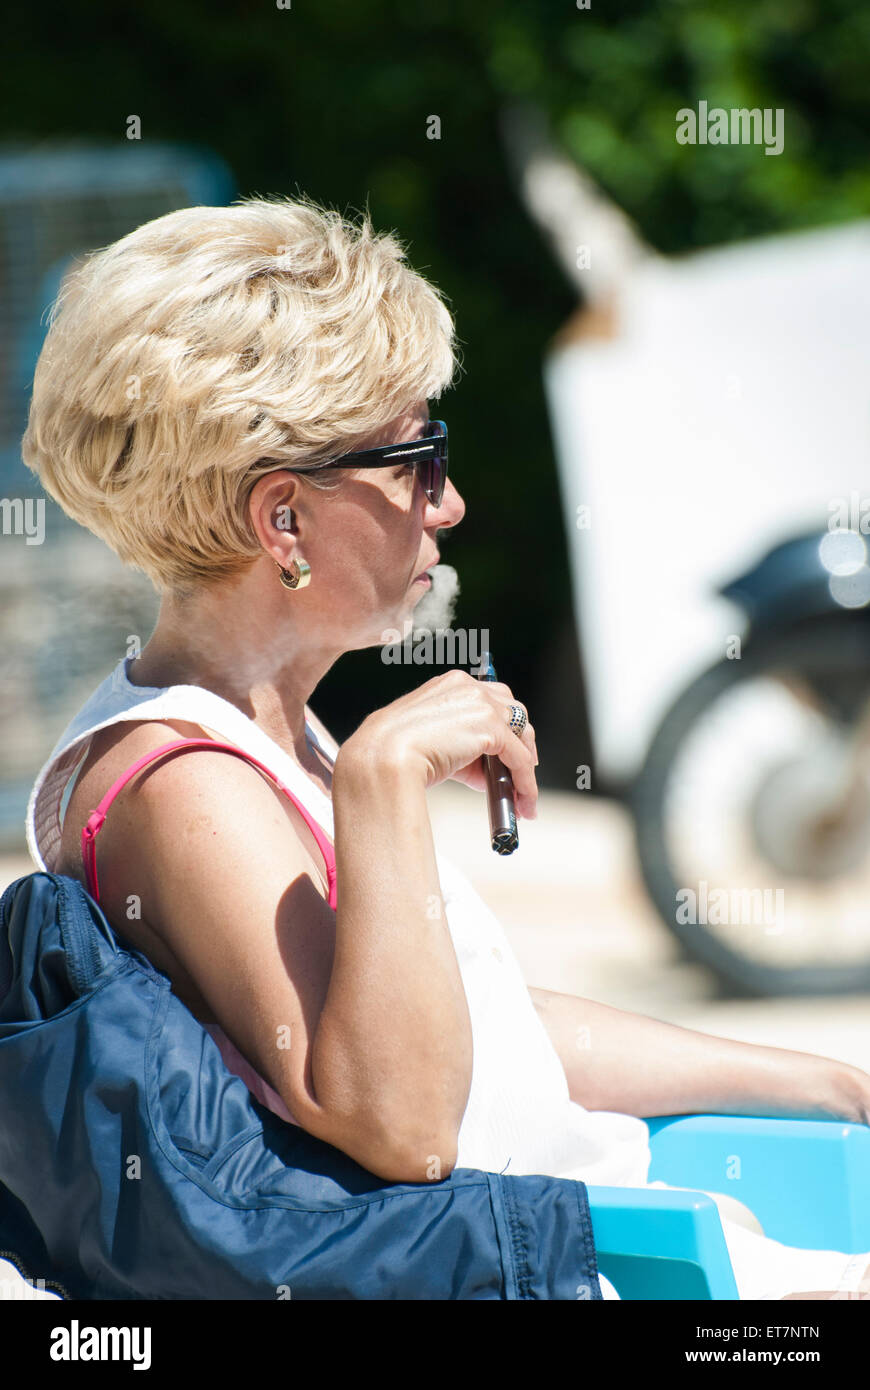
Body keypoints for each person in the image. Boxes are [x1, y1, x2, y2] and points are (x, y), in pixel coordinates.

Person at [21, 194, 870, 1301]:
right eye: (418, 460)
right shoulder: (184, 783)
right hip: (547, 1266)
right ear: (282, 519)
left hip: (578, 1242)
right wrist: (384, 781)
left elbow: (485, 1038)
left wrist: (828, 1082)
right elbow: (405, 1124)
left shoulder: (264, 732)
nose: (452, 502)